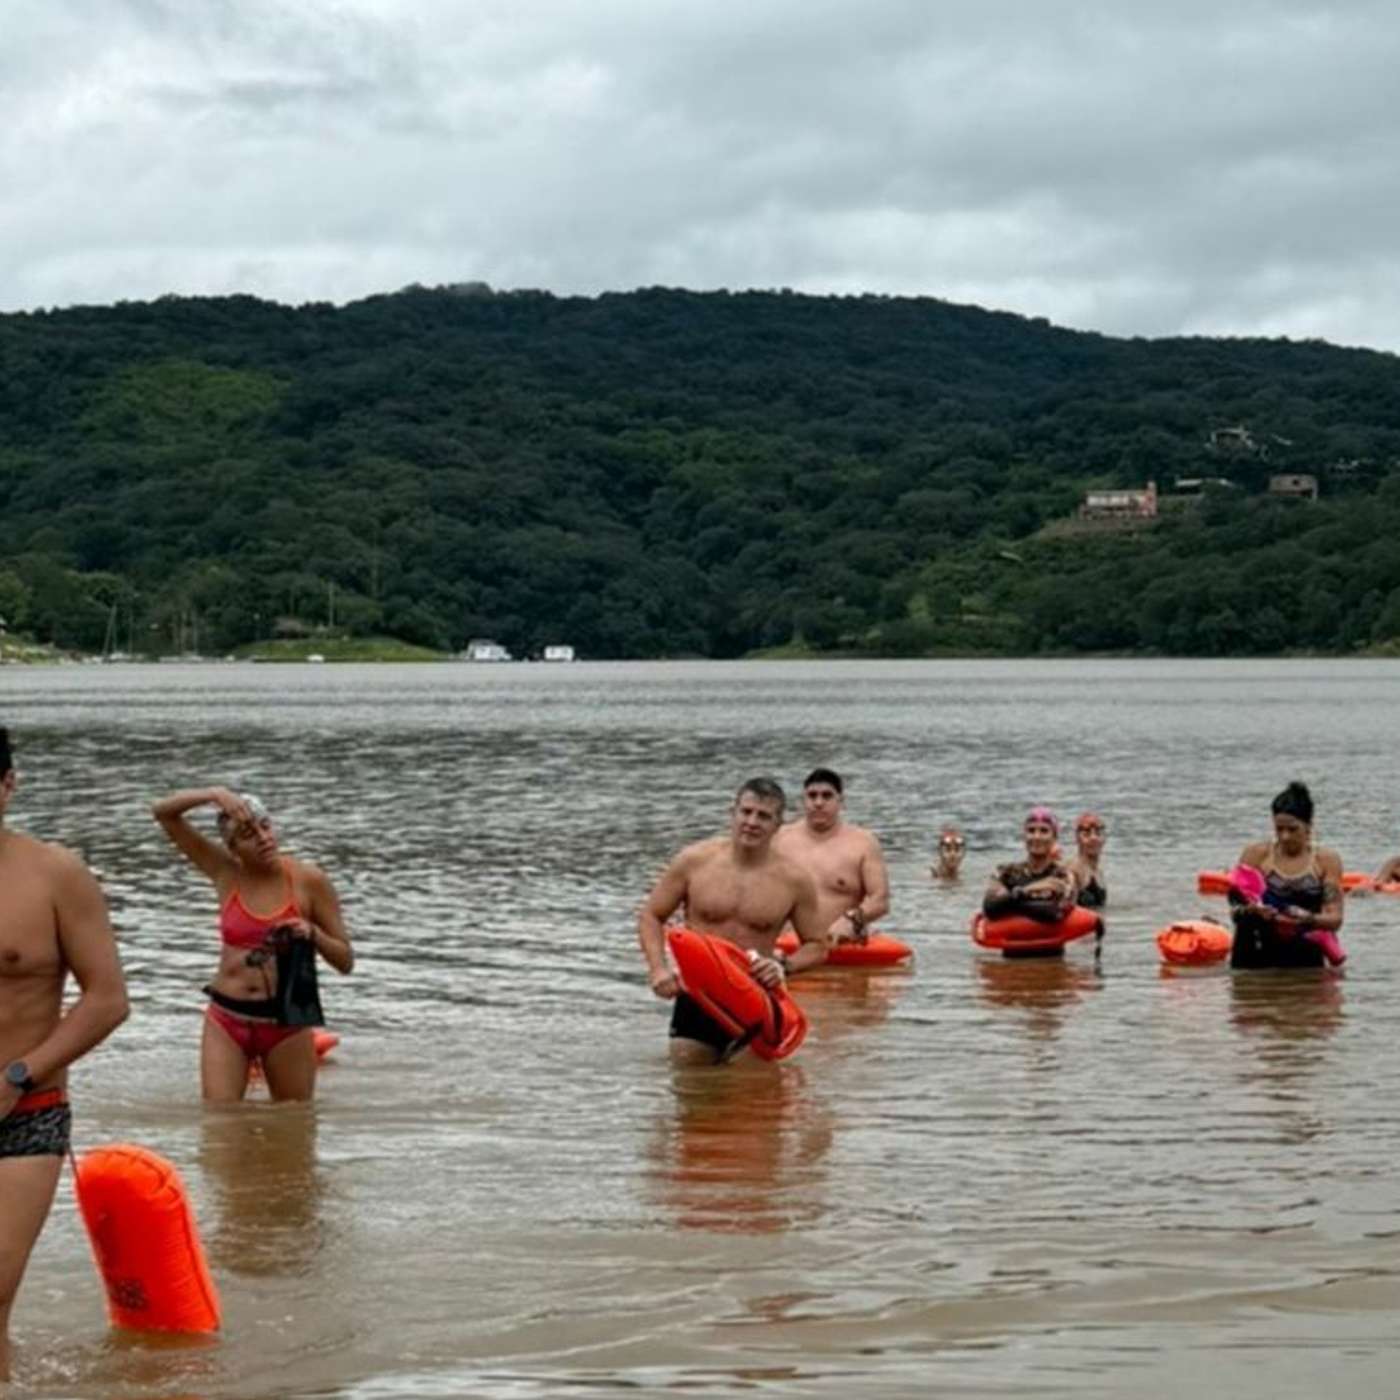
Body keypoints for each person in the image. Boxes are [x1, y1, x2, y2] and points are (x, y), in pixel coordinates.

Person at [0, 727, 129, 1379]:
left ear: (8, 786)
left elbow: (107, 999)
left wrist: (19, 1075)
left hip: (27, 1112)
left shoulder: (55, 874)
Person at [152, 786, 353, 1102]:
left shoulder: (309, 881)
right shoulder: (224, 872)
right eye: (248, 834)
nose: (263, 838)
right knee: (219, 1125)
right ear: (233, 848)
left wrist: (313, 933)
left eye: (265, 825)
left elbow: (345, 961)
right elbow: (163, 812)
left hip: (285, 1024)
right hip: (226, 1020)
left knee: (293, 1129)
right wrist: (213, 794)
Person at [638, 777, 828, 1062]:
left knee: (749, 1095)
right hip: (697, 996)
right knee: (689, 1088)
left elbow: (818, 945)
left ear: (778, 824)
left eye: (764, 816)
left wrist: (782, 966)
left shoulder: (794, 880)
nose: (752, 822)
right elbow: (652, 915)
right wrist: (658, 970)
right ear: (733, 812)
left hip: (755, 997)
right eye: (746, 812)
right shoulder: (694, 861)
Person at [1229, 781, 1345, 969]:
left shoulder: (1325, 860)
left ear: (1308, 826)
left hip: (1303, 947)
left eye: (1292, 829)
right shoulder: (1256, 854)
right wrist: (1254, 910)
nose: (1285, 837)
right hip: (1256, 948)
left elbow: (1335, 919)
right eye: (1279, 829)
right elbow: (1235, 909)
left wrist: (1308, 918)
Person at [772, 768, 890, 946]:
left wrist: (852, 919)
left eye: (827, 796)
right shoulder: (778, 839)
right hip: (788, 944)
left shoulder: (864, 843)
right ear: (803, 801)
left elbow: (880, 900)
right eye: (812, 796)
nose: (818, 803)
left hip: (841, 943)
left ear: (841, 801)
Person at [982, 807, 1078, 924]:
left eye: (1044, 831)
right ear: (1024, 836)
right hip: (1012, 939)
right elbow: (990, 908)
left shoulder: (1064, 876)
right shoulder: (1005, 872)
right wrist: (1024, 893)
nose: (1036, 837)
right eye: (1031, 831)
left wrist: (1012, 900)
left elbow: (1055, 912)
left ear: (1054, 837)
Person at [1066, 812, 1108, 908]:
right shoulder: (1073, 868)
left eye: (1098, 834)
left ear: (1104, 839)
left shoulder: (1098, 871)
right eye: (1087, 834)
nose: (1093, 838)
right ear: (1077, 839)